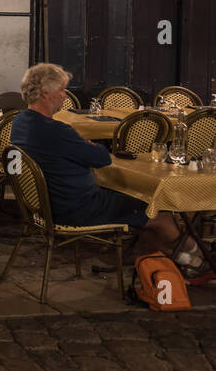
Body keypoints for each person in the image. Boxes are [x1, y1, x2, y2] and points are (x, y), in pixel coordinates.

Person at [11, 63, 180, 253]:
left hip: (43, 208)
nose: (65, 95)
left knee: (139, 213)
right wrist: (88, 145)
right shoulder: (58, 131)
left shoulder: (19, 123)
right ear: (44, 92)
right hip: (79, 209)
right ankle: (194, 259)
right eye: (61, 90)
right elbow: (102, 159)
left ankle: (170, 263)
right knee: (160, 211)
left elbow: (13, 168)